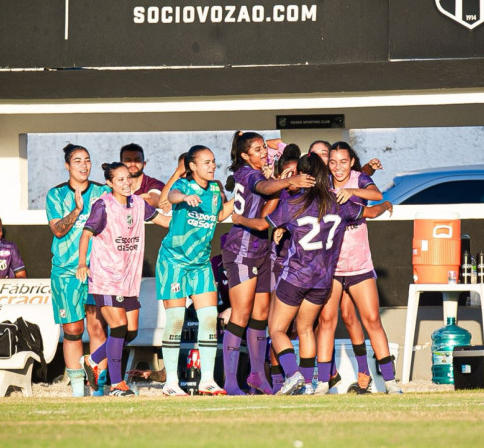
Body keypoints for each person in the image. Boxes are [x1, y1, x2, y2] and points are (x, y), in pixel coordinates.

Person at [221, 131, 315, 395]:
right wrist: (289, 180)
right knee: (240, 314)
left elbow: (266, 210)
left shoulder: (261, 174)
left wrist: (281, 181)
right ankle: (230, 382)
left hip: (262, 250)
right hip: (242, 249)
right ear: (244, 155)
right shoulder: (248, 174)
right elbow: (262, 189)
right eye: (257, 149)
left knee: (261, 314)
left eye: (264, 147)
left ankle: (257, 376)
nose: (264, 152)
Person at [265, 153, 364, 395]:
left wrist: (283, 186)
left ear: (301, 175)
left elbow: (265, 221)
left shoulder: (294, 203)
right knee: (306, 328)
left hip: (296, 275)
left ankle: (293, 374)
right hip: (322, 279)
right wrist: (384, 205)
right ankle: (308, 384)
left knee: (276, 329)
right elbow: (368, 212)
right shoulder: (338, 201)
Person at [77, 162, 170, 396]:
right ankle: (117, 384)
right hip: (106, 277)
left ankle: (92, 360)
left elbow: (164, 221)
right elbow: (86, 234)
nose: (126, 183)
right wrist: (82, 263)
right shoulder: (103, 205)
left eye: (128, 178)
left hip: (129, 279)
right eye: (120, 179)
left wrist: (191, 220)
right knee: (118, 327)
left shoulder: (139, 204)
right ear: (109, 183)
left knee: (130, 332)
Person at [315, 142, 400, 395]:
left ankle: (390, 382)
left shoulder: (358, 179)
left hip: (359, 265)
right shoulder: (323, 183)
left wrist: (353, 191)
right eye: (332, 162)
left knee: (372, 320)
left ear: (352, 162)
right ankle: (322, 382)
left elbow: (376, 195)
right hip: (331, 267)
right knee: (327, 320)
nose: (337, 167)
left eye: (343, 161)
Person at [156, 145, 235, 396]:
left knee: (210, 317)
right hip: (174, 261)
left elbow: (219, 215)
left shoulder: (215, 190)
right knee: (176, 319)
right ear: (192, 166)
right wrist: (183, 198)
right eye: (206, 162)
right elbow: (172, 196)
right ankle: (171, 383)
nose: (212, 166)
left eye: (213, 161)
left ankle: (207, 381)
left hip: (200, 264)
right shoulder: (184, 185)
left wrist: (240, 197)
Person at [46, 144, 110, 397]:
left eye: (87, 160)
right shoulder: (56, 194)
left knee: (98, 328)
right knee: (72, 330)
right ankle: (77, 391)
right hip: (66, 272)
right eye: (77, 161)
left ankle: (98, 388)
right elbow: (57, 230)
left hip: (97, 271)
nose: (84, 165)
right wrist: (77, 210)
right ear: (67, 166)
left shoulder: (102, 192)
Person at [120, 143, 165, 207]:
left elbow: (150, 202)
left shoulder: (156, 184)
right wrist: (138, 199)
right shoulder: (112, 185)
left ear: (144, 164)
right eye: (128, 161)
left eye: (137, 161)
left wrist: (117, 201)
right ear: (120, 165)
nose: (133, 164)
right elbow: (105, 201)